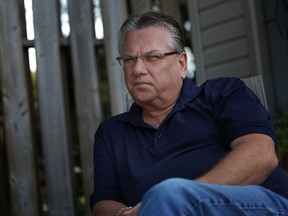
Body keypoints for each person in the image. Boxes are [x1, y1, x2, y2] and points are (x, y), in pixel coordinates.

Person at [89, 10, 288, 216]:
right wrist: (126, 213)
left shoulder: (223, 93)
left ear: (181, 63)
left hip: (261, 208)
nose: (138, 69)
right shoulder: (112, 132)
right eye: (129, 59)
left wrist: (182, 198)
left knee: (168, 195)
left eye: (152, 57)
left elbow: (261, 155)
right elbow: (104, 200)